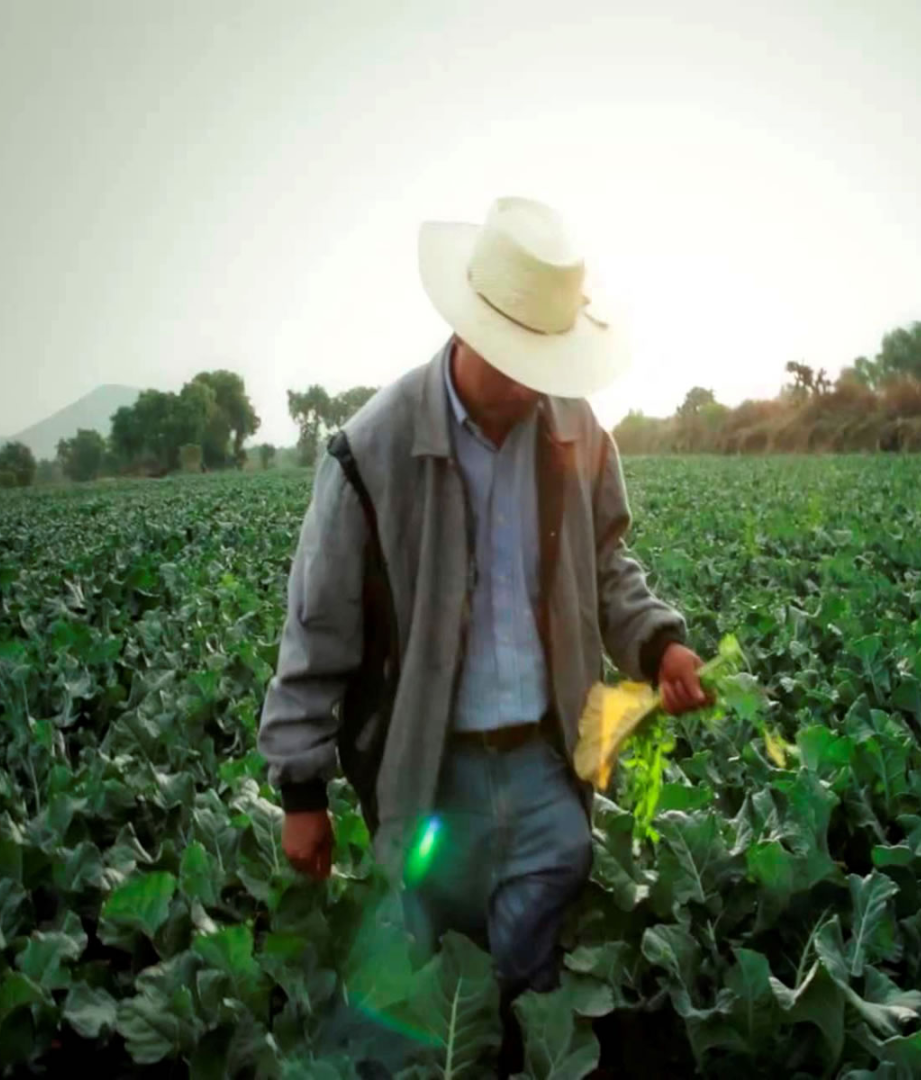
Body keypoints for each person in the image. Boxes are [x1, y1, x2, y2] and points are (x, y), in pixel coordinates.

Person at [257, 196, 709, 1074]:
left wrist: (659, 645)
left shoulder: (576, 429)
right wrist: (301, 793)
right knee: (431, 987)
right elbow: (317, 631)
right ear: (473, 333)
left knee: (532, 978)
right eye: (522, 362)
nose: (538, 384)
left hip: (544, 764)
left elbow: (608, 564)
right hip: (431, 774)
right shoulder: (372, 451)